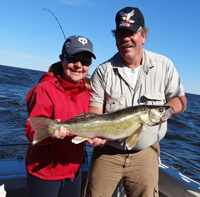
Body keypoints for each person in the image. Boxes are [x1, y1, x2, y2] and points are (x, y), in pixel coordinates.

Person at [84, 7, 187, 197]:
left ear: (143, 36)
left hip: (146, 153)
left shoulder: (164, 65)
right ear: (116, 39)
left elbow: (181, 100)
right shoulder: (102, 72)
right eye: (121, 33)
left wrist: (166, 111)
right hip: (107, 151)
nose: (126, 38)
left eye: (132, 32)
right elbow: (94, 113)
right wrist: (93, 135)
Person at [25, 35, 96, 197]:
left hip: (73, 170)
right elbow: (32, 132)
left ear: (90, 64)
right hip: (44, 171)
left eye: (85, 60)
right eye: (73, 58)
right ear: (62, 58)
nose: (78, 65)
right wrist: (51, 133)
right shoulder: (43, 89)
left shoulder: (88, 91)